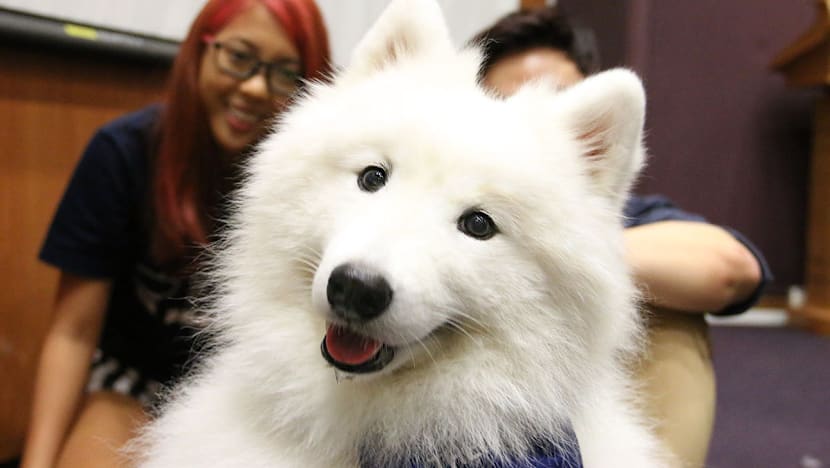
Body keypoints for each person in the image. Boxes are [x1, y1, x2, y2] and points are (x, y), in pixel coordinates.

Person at [20, 1, 331, 467]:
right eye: (239, 58)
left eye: (285, 73)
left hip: (248, 394)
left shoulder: (313, 183)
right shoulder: (124, 154)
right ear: (201, 50)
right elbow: (73, 333)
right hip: (132, 385)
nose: (254, 88)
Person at [471, 7, 771, 468]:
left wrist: (561, 257)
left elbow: (731, 270)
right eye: (507, 105)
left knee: (673, 315)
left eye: (561, 102)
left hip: (589, 418)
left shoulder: (628, 215)